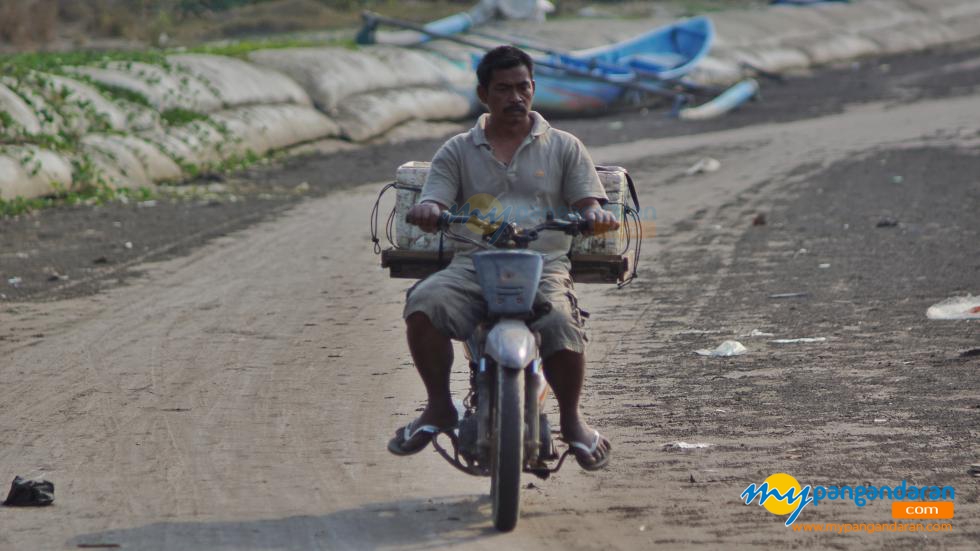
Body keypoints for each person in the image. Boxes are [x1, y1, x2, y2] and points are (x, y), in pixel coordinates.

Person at [387, 45, 618, 471]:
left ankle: (571, 420)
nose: (515, 97)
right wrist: (429, 210)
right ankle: (439, 407)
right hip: (473, 263)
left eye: (523, 87)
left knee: (563, 323)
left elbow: (589, 202)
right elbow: (435, 197)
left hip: (543, 265)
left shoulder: (565, 146)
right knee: (424, 305)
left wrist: (595, 215)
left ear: (534, 89)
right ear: (483, 95)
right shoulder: (457, 149)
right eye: (504, 89)